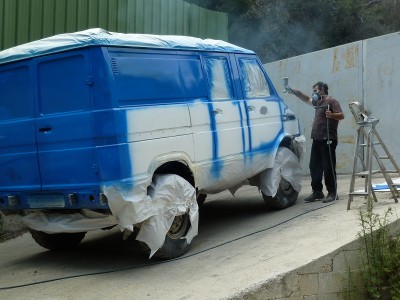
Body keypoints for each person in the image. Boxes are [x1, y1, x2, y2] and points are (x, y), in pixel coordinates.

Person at [288, 82, 344, 203]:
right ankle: (317, 192)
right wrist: (293, 91)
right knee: (314, 167)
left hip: (328, 139)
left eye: (315, 90)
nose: (313, 93)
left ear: (322, 90)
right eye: (313, 91)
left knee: (328, 167)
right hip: (317, 139)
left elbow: (341, 115)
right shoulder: (318, 102)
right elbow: (306, 98)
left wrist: (332, 115)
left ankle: (333, 193)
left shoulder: (332, 101)